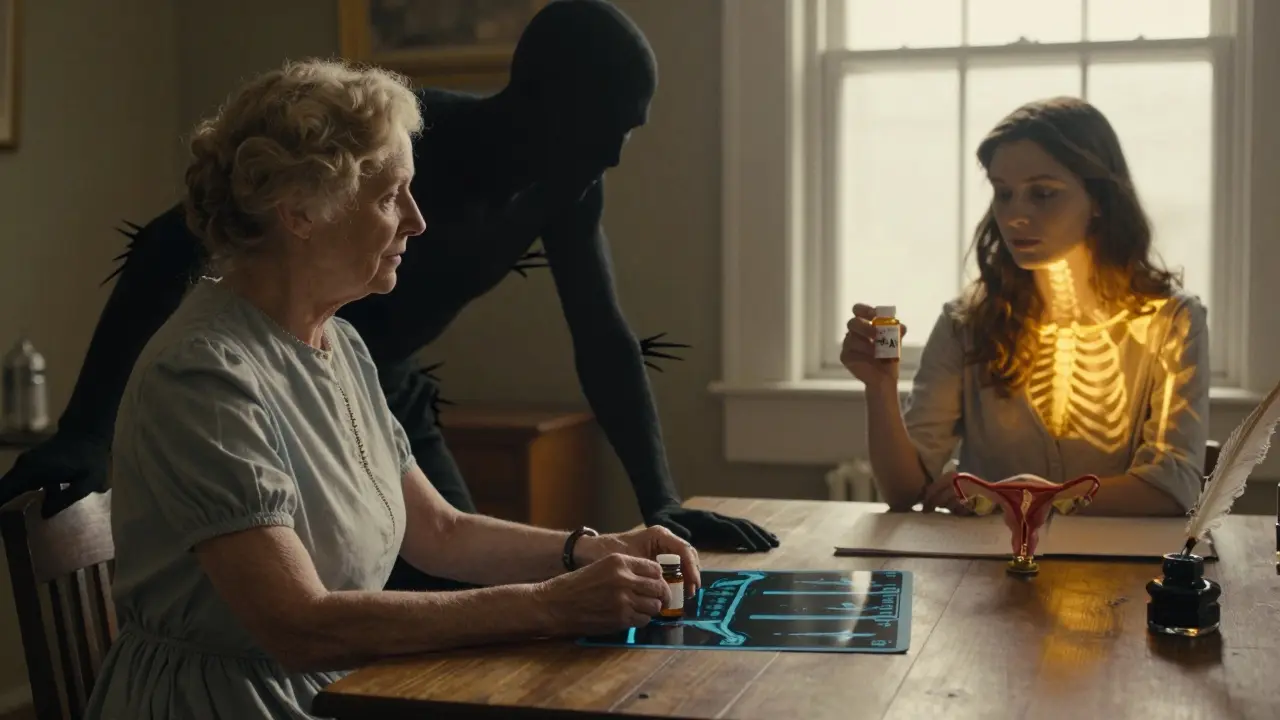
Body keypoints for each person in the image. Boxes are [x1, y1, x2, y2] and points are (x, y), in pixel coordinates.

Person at [0, 0, 778, 581]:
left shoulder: (568, 187)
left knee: (467, 571)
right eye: (606, 126)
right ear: (542, 96)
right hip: (282, 380)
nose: (615, 153)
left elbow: (602, 335)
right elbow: (170, 240)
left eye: (630, 131)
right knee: (412, 609)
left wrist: (659, 502)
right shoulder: (405, 144)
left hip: (374, 383)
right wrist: (84, 428)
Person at [84, 58, 701, 720]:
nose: (417, 220)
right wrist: (549, 605)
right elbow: (299, 625)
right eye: (388, 197)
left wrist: (592, 549)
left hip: (338, 690)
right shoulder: (204, 374)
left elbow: (439, 531)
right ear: (300, 213)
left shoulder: (340, 343)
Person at [840, 96, 1209, 518]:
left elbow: (1172, 488)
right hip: (983, 574)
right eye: (1003, 193)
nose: (1014, 216)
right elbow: (905, 492)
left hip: (1120, 571)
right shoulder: (968, 321)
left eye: (1043, 194)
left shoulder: (1172, 322)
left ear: (1100, 199)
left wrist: (1033, 496)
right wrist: (880, 388)